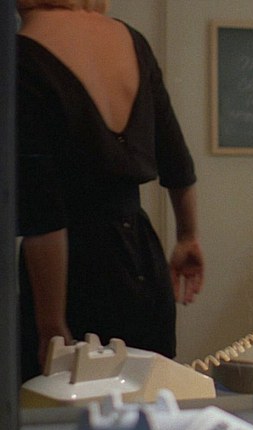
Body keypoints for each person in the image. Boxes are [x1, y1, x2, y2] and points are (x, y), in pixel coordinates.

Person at [16, 0, 204, 382]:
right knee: (146, 399)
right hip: (141, 258)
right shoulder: (131, 39)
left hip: (72, 273)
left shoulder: (22, 53)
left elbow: (44, 215)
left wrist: (50, 323)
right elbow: (176, 160)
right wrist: (187, 236)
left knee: (60, 408)